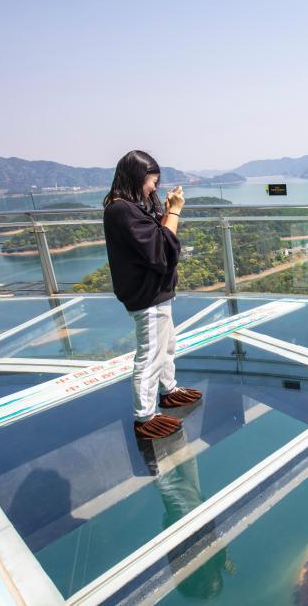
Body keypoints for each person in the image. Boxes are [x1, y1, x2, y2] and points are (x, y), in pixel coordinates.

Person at [103, 150, 202, 439]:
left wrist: (165, 208)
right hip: (147, 295)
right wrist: (174, 211)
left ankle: (168, 389)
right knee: (150, 354)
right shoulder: (121, 210)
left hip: (155, 292)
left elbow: (158, 238)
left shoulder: (130, 207)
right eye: (152, 182)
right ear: (137, 177)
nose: (154, 188)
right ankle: (144, 416)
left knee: (165, 346)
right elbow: (161, 250)